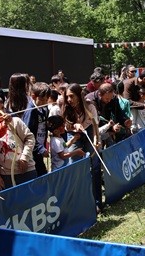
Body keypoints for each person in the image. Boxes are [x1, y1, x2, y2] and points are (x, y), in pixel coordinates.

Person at [62, 83, 102, 212]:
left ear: (79, 95)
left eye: (72, 96)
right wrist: (74, 126)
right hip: (74, 134)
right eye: (67, 97)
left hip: (90, 130)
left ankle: (97, 203)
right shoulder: (66, 107)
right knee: (74, 166)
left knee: (95, 165)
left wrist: (96, 140)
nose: (69, 99)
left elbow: (95, 125)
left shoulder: (90, 106)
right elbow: (66, 126)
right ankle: (78, 204)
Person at [0, 96, 37, 190]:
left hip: (27, 169)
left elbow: (30, 138)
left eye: (2, 108)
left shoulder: (15, 121)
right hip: (7, 174)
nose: (1, 111)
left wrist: (24, 158)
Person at [85, 83, 131, 147]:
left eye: (110, 98)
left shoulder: (113, 97)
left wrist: (124, 121)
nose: (109, 101)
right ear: (100, 95)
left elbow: (118, 112)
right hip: (93, 129)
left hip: (107, 127)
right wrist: (111, 127)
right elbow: (97, 119)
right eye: (107, 98)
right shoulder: (91, 101)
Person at [28, 82, 51, 176]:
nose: (44, 103)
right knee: (41, 174)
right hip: (33, 150)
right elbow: (29, 133)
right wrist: (40, 148)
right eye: (42, 100)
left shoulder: (44, 108)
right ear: (33, 96)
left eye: (46, 100)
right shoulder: (31, 111)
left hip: (40, 147)